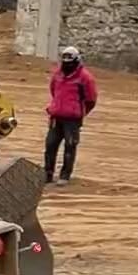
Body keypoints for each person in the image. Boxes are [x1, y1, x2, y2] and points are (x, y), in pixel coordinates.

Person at [44, 45, 98, 185]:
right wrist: (56, 107)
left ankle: (64, 176)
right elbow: (53, 91)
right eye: (64, 60)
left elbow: (91, 99)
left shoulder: (85, 78)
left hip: (73, 120)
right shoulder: (57, 75)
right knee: (50, 145)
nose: (67, 63)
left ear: (76, 60)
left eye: (70, 60)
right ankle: (47, 174)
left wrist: (80, 112)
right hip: (56, 117)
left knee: (70, 146)